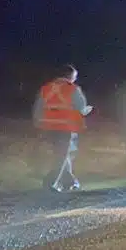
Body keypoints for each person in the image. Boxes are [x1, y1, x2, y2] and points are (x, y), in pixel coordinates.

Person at [32, 64, 93, 192]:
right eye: (75, 77)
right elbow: (81, 107)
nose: (75, 80)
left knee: (61, 154)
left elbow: (38, 108)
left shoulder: (46, 88)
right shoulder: (72, 89)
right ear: (70, 76)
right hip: (65, 127)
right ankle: (50, 183)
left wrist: (37, 123)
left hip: (48, 127)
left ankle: (70, 182)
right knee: (61, 156)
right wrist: (87, 111)